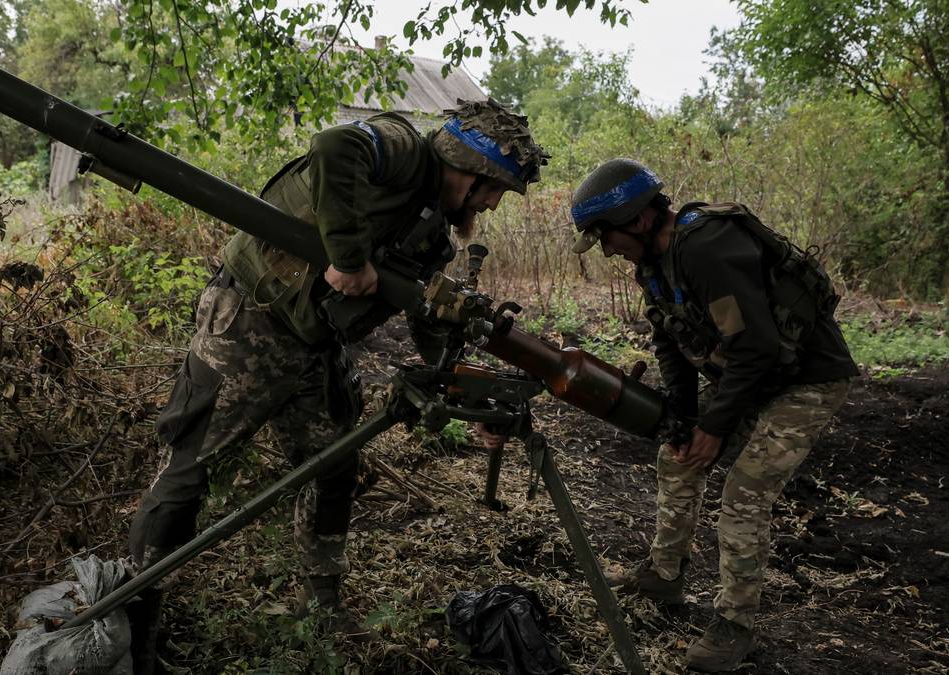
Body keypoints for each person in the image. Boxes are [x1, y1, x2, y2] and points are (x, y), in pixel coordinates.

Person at [126, 99, 547, 671]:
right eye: (495, 190)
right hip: (250, 321)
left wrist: (461, 385)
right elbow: (333, 146)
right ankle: (132, 626)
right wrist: (349, 258)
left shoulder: (433, 234)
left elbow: (425, 313)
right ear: (469, 169)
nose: (494, 205)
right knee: (188, 472)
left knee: (334, 467)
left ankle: (318, 603)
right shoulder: (401, 148)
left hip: (315, 346)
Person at [570, 159, 858, 672]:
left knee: (743, 495)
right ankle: (665, 573)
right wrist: (684, 421)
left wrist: (714, 427)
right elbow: (672, 345)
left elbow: (757, 346)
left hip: (806, 380)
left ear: (636, 220)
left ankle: (735, 625)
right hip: (755, 377)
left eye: (606, 235)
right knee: (676, 456)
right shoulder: (653, 266)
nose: (607, 248)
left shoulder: (706, 247)